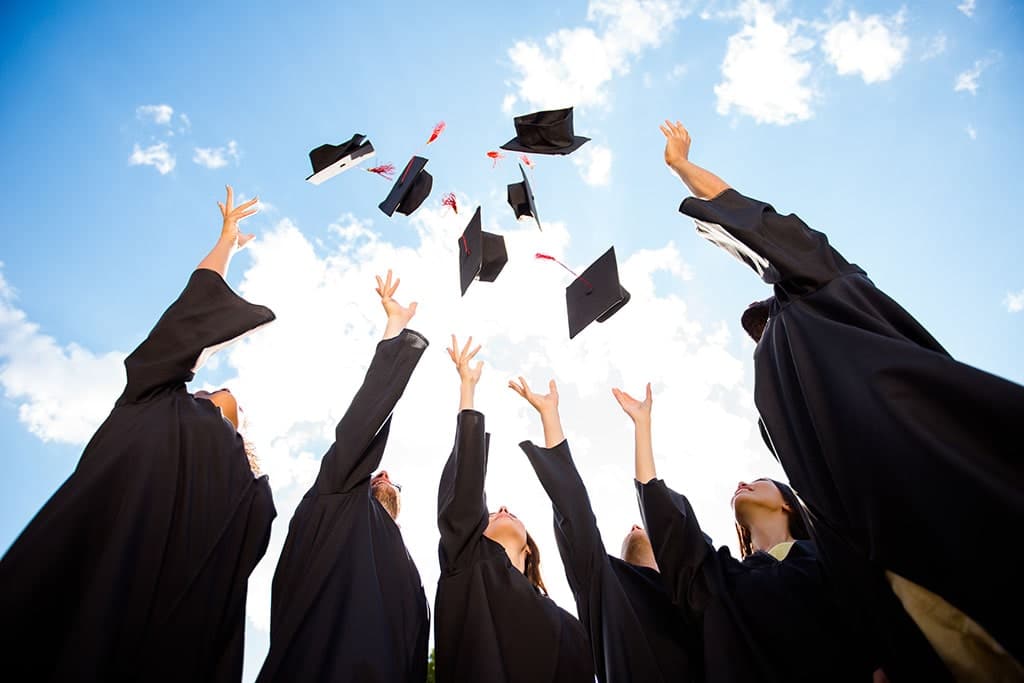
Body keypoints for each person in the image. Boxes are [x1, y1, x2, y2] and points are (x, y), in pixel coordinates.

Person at [661, 119, 1024, 681]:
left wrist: (685, 169)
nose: (762, 335)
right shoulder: (773, 393)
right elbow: (819, 509)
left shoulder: (823, 283)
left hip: (919, 460)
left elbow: (759, 222)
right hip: (887, 559)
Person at [0, 186, 276, 682]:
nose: (218, 387)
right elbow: (184, 326)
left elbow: (183, 328)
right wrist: (226, 247)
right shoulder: (157, 409)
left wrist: (225, 246)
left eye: (213, 390)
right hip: (85, 599)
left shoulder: (247, 496)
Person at [615, 382, 875, 682]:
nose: (742, 482)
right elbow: (671, 528)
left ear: (788, 503)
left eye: (758, 479)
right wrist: (642, 426)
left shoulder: (833, 556)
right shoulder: (724, 580)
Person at [257, 270, 429, 683]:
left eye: (392, 481)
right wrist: (393, 333)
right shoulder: (339, 502)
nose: (385, 473)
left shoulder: (414, 582)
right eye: (376, 475)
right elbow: (359, 431)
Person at [511, 375, 699, 683]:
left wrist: (643, 427)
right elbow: (575, 514)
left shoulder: (701, 590)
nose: (636, 525)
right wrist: (549, 415)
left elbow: (662, 512)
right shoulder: (607, 589)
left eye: (647, 527)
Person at [434, 336, 594, 683]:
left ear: (530, 548)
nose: (502, 507)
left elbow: (578, 518)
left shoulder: (570, 628)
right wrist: (467, 392)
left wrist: (551, 415)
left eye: (508, 512)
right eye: (489, 513)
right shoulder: (466, 567)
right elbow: (463, 494)